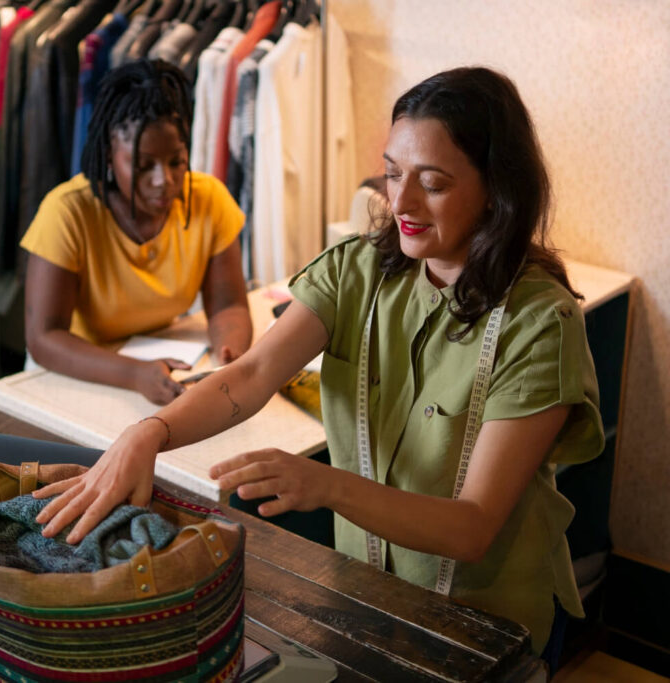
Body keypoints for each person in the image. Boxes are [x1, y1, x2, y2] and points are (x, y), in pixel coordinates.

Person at [32, 66, 604, 657]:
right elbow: (251, 375)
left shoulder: (540, 324)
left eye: (431, 183)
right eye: (392, 173)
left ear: (497, 189)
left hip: (487, 628)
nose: (399, 201)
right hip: (367, 601)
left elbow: (473, 526)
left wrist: (326, 485)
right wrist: (147, 433)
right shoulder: (355, 271)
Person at [21, 59, 253, 405]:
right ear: (110, 156)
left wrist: (229, 356)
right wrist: (134, 374)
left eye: (176, 161)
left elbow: (229, 305)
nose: (165, 181)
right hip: (75, 375)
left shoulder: (207, 199)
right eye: (144, 166)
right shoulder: (68, 212)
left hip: (159, 369)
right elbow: (45, 337)